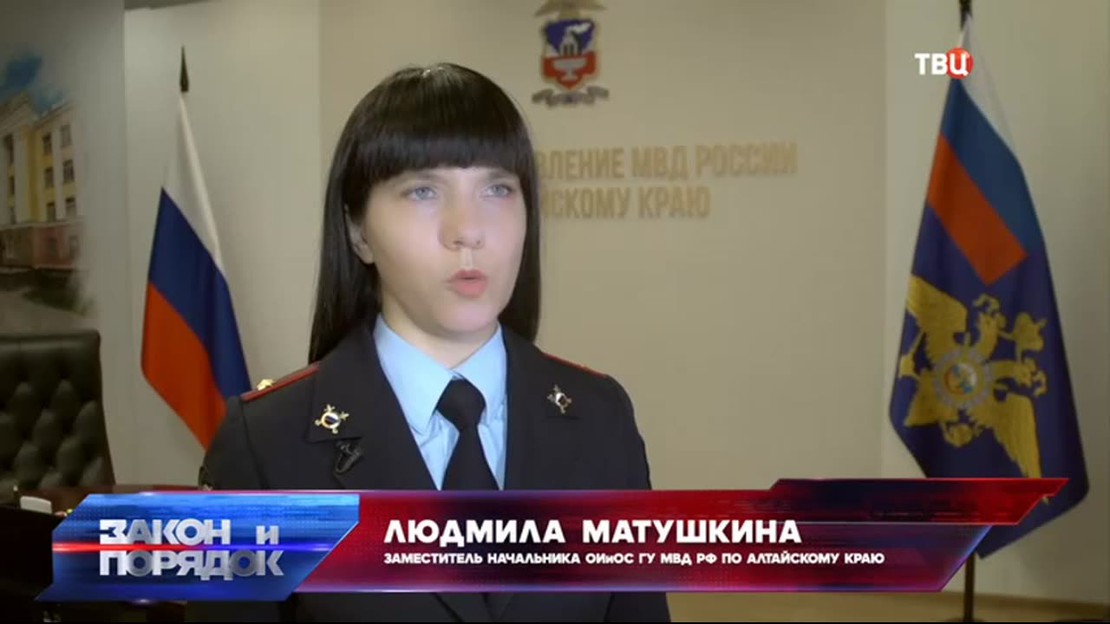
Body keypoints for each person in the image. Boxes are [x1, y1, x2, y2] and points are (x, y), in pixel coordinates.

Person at [186, 62, 670, 623]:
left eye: (497, 188)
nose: (468, 230)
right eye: (422, 191)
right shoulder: (267, 443)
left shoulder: (600, 417)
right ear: (358, 232)